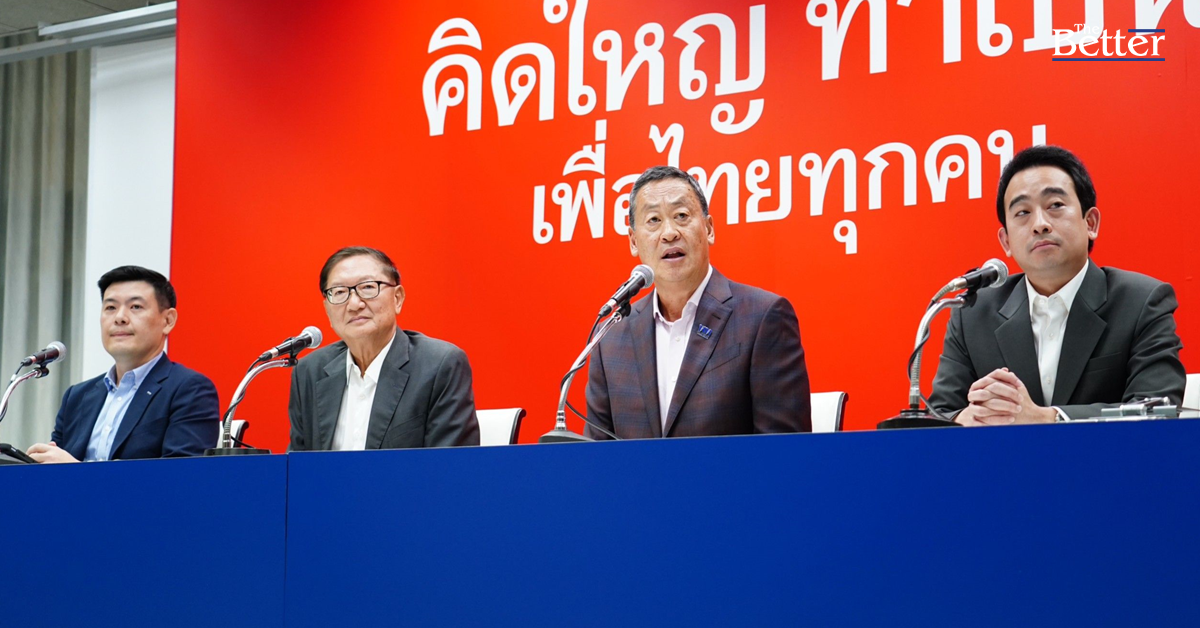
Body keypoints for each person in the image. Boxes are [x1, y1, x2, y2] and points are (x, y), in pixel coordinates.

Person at [930, 145, 1185, 424]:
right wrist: (969, 418)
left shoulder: (1141, 302)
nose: (1040, 224)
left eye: (1055, 205)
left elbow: (1158, 410)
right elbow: (937, 416)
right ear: (1006, 241)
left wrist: (1047, 418)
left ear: (1090, 222)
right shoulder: (972, 314)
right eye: (1022, 212)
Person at [585, 166, 812, 439]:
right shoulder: (611, 337)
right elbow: (596, 455)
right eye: (654, 220)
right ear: (634, 241)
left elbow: (784, 453)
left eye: (681, 216)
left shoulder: (762, 318)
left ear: (709, 229)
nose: (669, 233)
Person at [289, 246, 479, 450]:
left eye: (368, 287)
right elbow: (298, 464)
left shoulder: (439, 365)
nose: (354, 304)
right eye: (339, 292)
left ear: (397, 298)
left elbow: (448, 464)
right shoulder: (309, 371)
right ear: (327, 310)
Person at [28, 266, 220, 462]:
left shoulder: (190, 390)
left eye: (135, 307)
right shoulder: (77, 397)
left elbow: (182, 476)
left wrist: (75, 471)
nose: (119, 318)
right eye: (110, 308)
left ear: (168, 320)